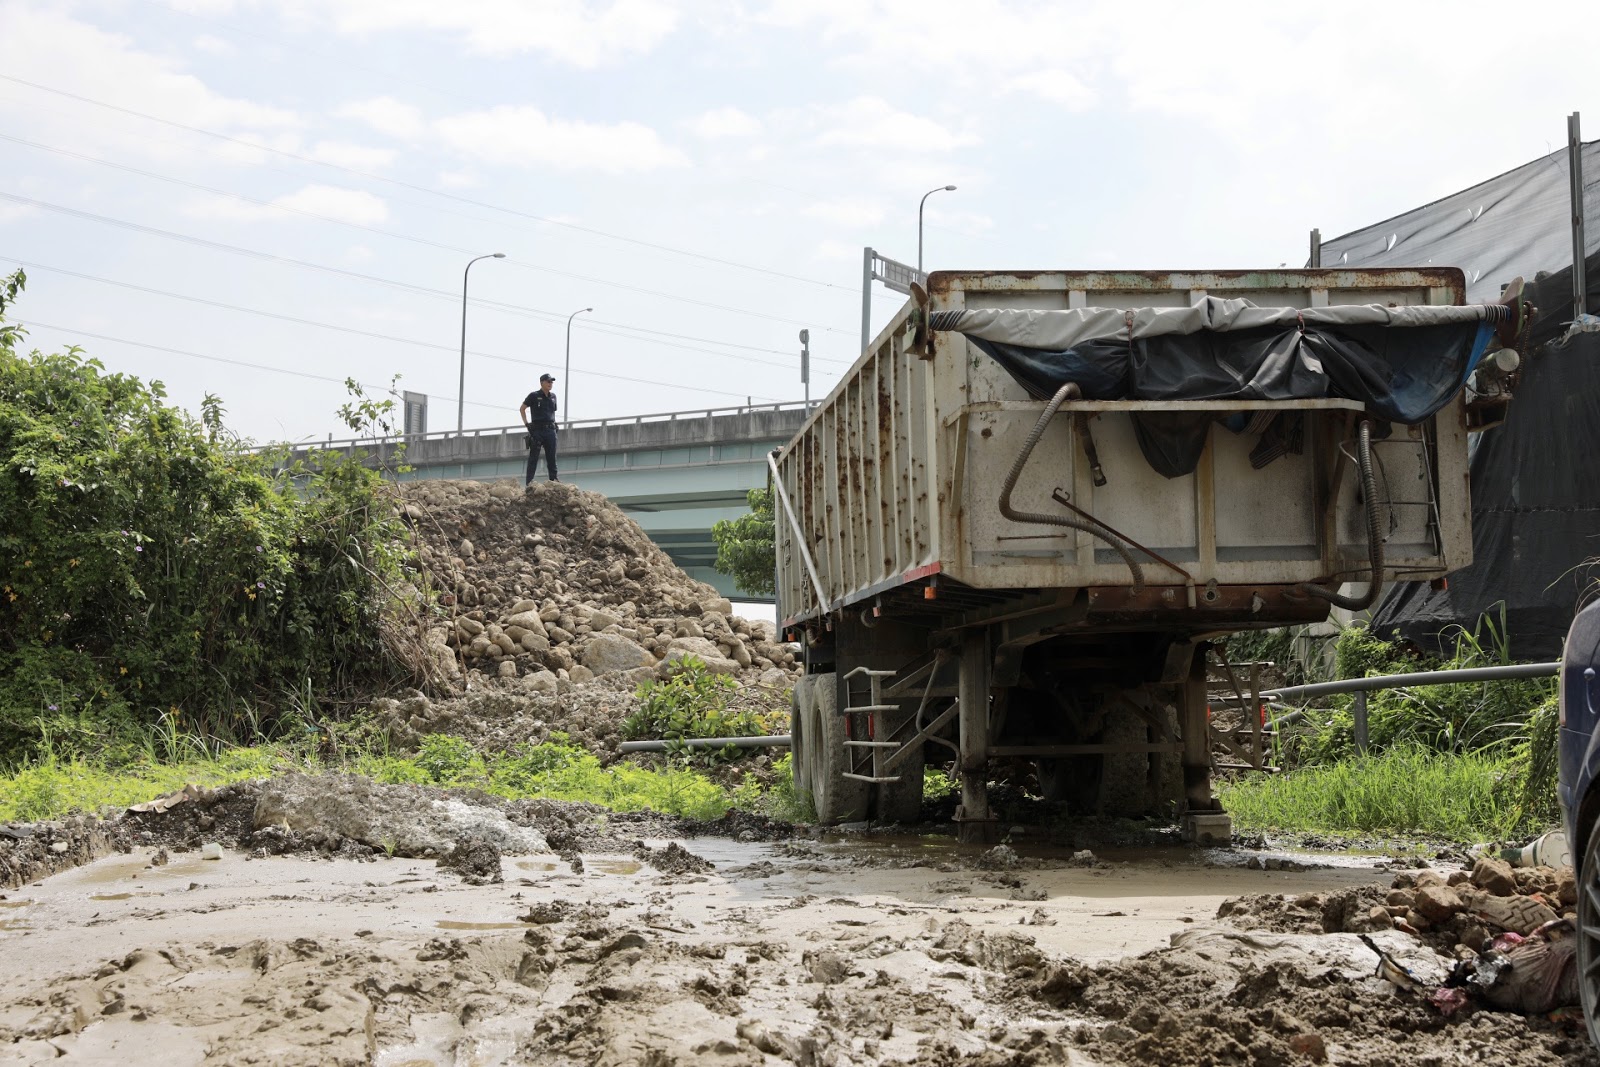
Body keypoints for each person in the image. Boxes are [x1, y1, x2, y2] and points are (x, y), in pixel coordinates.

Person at [519, 374, 559, 484]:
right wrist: (527, 424)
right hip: (537, 430)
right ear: (542, 383)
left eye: (551, 382)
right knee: (533, 457)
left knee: (552, 457)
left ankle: (554, 480)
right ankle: (529, 482)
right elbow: (522, 409)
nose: (550, 384)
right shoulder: (534, 395)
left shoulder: (553, 397)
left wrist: (554, 424)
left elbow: (552, 412)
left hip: (550, 430)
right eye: (548, 381)